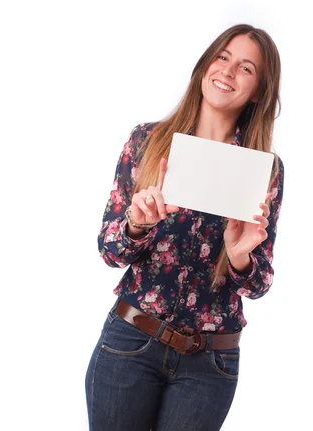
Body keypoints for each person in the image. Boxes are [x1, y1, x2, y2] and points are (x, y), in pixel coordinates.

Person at [85, 24, 284, 431]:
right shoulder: (147, 141)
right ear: (204, 65)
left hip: (209, 364)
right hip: (129, 344)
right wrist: (136, 227)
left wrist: (241, 255)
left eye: (246, 68)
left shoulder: (264, 169)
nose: (228, 72)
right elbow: (109, 250)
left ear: (260, 90)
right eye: (222, 57)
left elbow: (258, 285)